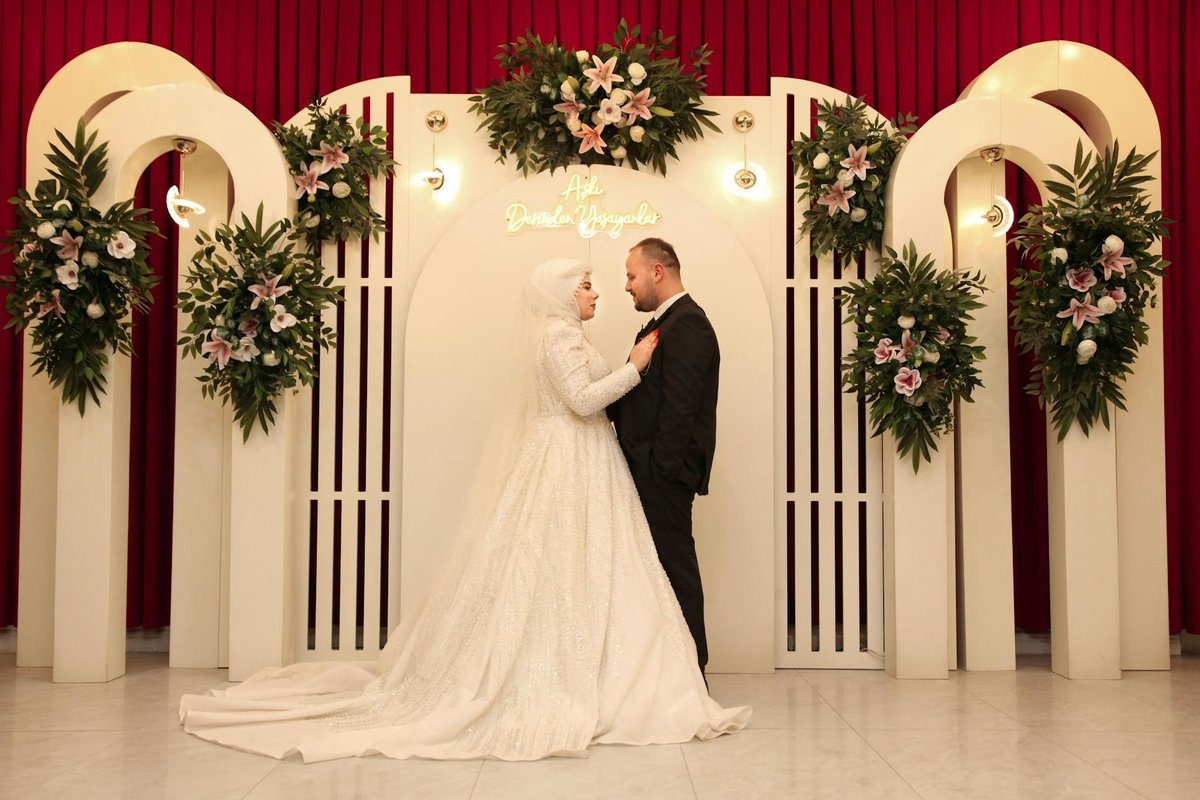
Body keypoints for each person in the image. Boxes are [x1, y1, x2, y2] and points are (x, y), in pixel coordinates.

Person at [178, 258, 749, 762]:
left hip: (582, 457)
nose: (597, 293)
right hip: (568, 455)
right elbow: (581, 400)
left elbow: (593, 390)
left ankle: (619, 671)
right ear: (559, 294)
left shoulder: (564, 335)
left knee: (584, 563)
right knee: (564, 564)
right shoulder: (560, 337)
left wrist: (628, 365)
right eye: (586, 285)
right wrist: (634, 366)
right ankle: (583, 676)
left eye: (601, 283)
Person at [608, 238, 719, 675]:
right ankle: (665, 676)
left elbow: (680, 409)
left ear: (658, 271)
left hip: (662, 477)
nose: (626, 286)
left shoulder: (688, 324)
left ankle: (693, 673)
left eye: (632, 275)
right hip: (646, 472)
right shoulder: (662, 324)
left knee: (676, 573)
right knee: (654, 576)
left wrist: (660, 473)